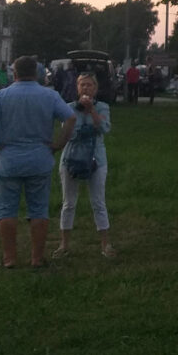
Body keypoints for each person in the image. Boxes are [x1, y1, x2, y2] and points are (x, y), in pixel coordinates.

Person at [0, 55, 76, 268]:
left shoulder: (1, 96)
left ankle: (9, 258)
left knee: (6, 210)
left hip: (8, 160)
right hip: (40, 159)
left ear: (14, 73)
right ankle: (37, 258)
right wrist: (58, 144)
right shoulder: (50, 95)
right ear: (37, 73)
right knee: (39, 210)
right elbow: (70, 118)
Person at [55, 72, 115, 259]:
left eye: (89, 85)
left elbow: (104, 128)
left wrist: (92, 111)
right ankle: (64, 245)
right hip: (71, 158)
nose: (86, 88)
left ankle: (105, 244)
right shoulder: (68, 108)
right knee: (68, 203)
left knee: (98, 202)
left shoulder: (103, 107)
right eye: (82, 85)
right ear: (77, 88)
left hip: (96, 159)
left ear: (95, 89)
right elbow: (68, 133)